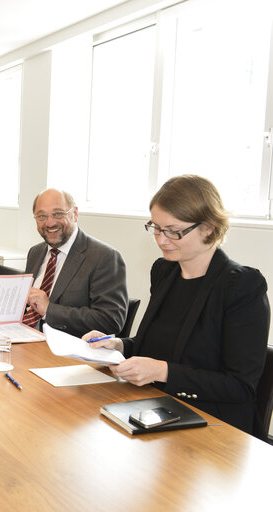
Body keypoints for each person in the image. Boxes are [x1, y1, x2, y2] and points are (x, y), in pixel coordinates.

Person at [85, 175, 270, 435]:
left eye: (174, 231)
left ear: (209, 227)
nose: (162, 239)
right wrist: (117, 345)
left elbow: (240, 386)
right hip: (157, 408)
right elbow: (155, 346)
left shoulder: (242, 286)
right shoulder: (164, 271)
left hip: (215, 425)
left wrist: (162, 371)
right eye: (156, 228)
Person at [22, 188, 128, 337]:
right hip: (26, 339)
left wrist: (49, 310)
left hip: (70, 352)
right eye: (42, 216)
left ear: (75, 214)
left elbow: (110, 320)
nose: (50, 222)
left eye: (58, 214)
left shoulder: (105, 257)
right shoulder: (35, 252)